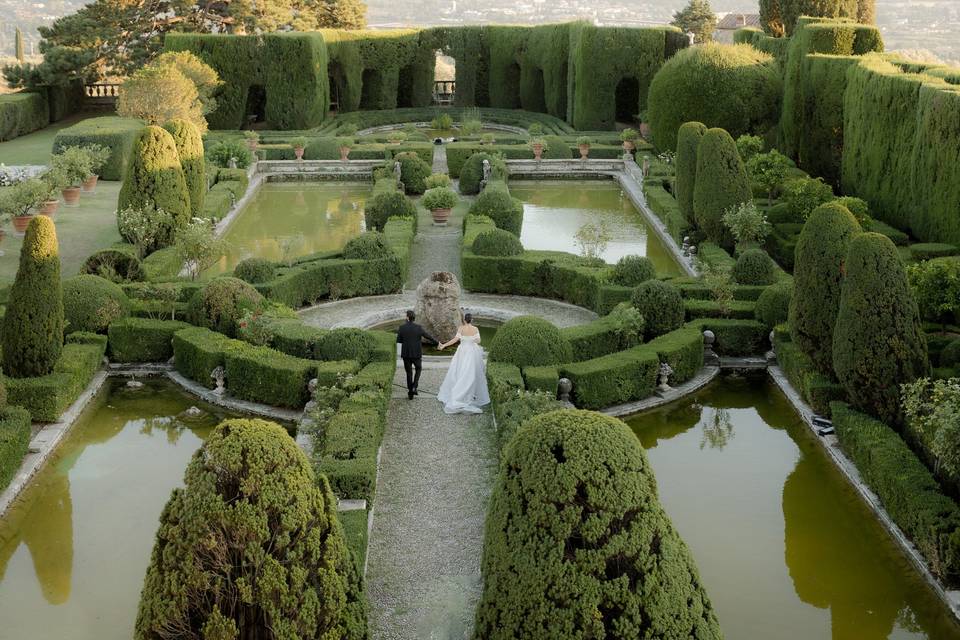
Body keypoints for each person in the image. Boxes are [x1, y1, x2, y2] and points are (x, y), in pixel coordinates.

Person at [436, 313, 490, 414]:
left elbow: (455, 340)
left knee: (459, 371)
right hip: (472, 352)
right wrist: (472, 339)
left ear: (464, 320)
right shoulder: (475, 329)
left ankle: (458, 393)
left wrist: (444, 345)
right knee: (470, 373)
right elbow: (478, 341)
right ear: (471, 320)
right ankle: (470, 394)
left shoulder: (461, 328)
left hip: (462, 352)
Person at [396, 310, 438, 400]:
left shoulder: (402, 327)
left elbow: (399, 340)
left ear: (407, 317)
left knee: (408, 372)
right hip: (416, 354)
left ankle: (410, 391)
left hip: (406, 354)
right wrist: (437, 343)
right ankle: (415, 386)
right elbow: (428, 336)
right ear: (414, 318)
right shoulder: (419, 327)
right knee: (418, 369)